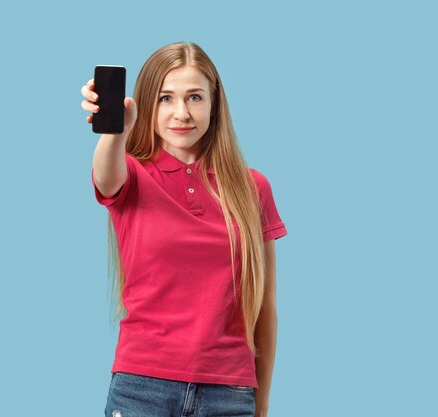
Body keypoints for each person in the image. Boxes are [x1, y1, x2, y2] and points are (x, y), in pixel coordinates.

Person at [81, 41, 287, 417]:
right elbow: (106, 176)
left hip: (229, 392)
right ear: (147, 104)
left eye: (194, 97)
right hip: (140, 388)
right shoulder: (133, 175)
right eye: (165, 98)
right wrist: (114, 133)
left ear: (214, 104)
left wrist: (263, 402)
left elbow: (266, 308)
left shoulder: (252, 187)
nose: (181, 113)